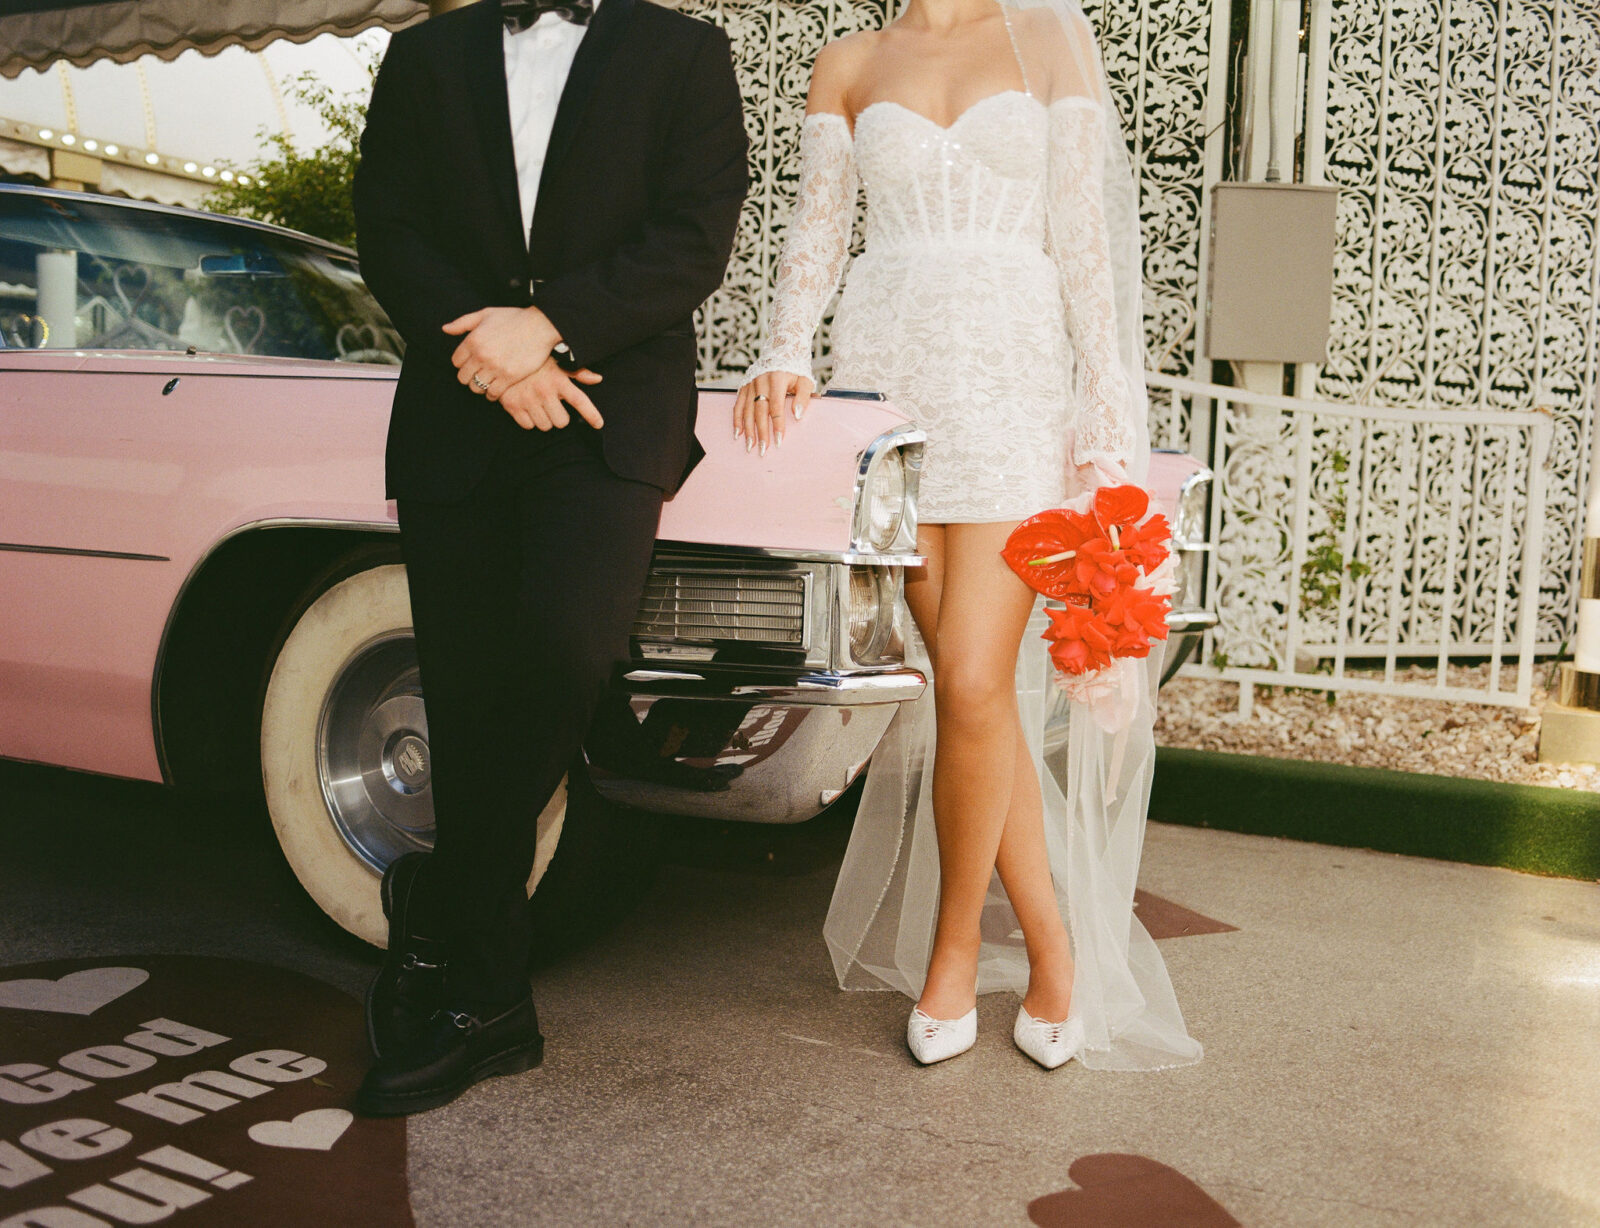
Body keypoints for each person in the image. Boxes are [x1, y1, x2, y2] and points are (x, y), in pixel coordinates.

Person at [736, 0, 1201, 1071]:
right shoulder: (846, 60)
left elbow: (1080, 232)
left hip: (1011, 378)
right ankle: (1051, 952)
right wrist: (784, 349)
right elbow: (818, 221)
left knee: (980, 681)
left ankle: (954, 949)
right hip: (886, 375)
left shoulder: (1048, 37)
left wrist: (1106, 408)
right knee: (962, 685)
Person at [351, 0, 747, 1115]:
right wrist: (495, 350)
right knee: (468, 688)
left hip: (610, 412)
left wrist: (553, 326)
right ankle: (487, 1000)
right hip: (456, 407)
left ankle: (435, 910)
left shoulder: (686, 51)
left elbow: (693, 233)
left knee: (565, 655)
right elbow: (389, 227)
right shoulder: (424, 55)